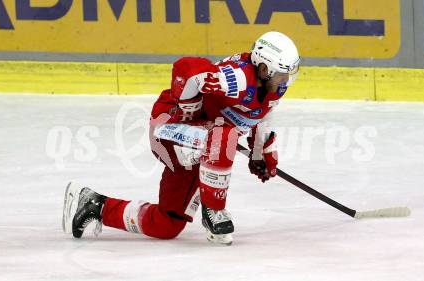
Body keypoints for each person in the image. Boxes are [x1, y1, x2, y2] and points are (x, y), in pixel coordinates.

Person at [62, 31, 300, 245]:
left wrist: (261, 152)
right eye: (281, 74)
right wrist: (189, 110)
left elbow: (262, 114)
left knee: (168, 224)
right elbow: (186, 68)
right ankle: (214, 211)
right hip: (169, 126)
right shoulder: (235, 78)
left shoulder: (273, 88)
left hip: (200, 144)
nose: (285, 80)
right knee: (223, 135)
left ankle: (94, 205)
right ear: (263, 69)